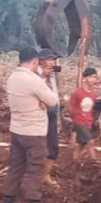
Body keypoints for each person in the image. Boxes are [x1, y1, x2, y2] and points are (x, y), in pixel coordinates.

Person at [2, 48, 59, 203]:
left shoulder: (12, 78)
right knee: (35, 169)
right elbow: (53, 100)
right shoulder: (33, 80)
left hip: (17, 129)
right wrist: (41, 101)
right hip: (34, 132)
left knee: (16, 168)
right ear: (35, 61)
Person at [37, 49, 61, 187]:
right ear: (41, 61)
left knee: (53, 147)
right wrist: (43, 76)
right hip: (38, 115)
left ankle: (46, 175)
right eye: (49, 59)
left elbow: (55, 95)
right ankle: (33, 176)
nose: (52, 62)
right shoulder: (35, 75)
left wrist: (58, 119)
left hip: (51, 116)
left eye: (54, 59)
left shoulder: (53, 76)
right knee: (37, 147)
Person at [68, 66, 99, 163]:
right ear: (84, 78)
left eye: (94, 77)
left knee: (80, 145)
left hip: (87, 122)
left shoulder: (93, 94)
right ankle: (95, 164)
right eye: (91, 77)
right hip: (79, 121)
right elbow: (70, 107)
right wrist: (75, 119)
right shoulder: (77, 93)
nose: (93, 79)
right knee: (90, 142)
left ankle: (75, 164)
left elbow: (90, 110)